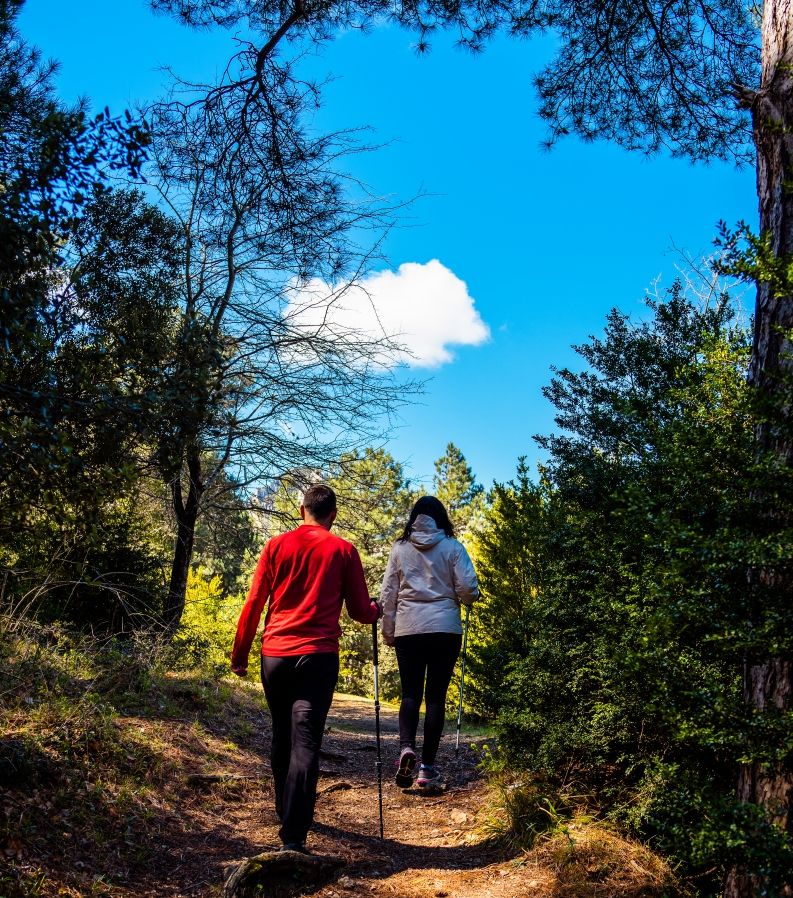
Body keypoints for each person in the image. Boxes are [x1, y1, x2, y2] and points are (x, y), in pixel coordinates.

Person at [231, 484, 381, 852]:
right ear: (332, 515)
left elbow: (253, 604)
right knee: (307, 741)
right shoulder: (344, 551)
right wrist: (377, 610)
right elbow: (361, 612)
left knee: (282, 732)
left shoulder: (275, 546)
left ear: (302, 511)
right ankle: (294, 836)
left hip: (276, 655)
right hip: (318, 657)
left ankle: (285, 809)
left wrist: (240, 654)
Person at [380, 495, 478, 792]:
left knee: (410, 693)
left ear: (414, 518)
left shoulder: (400, 549)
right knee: (435, 697)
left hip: (409, 629)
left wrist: (388, 632)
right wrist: (469, 597)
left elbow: (388, 594)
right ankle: (427, 768)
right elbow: (468, 589)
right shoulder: (452, 547)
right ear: (441, 518)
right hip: (445, 630)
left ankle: (407, 748)